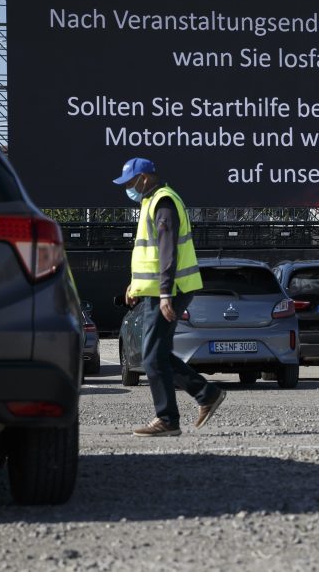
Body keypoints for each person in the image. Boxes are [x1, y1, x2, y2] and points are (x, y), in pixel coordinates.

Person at [113, 157, 226, 437]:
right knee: (156, 354)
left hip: (171, 290)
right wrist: (134, 286)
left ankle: (167, 419)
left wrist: (165, 293)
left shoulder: (163, 202)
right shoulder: (150, 202)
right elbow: (148, 253)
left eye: (130, 182)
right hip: (160, 290)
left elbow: (167, 251)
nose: (127, 188)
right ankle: (206, 394)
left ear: (144, 178)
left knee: (152, 357)